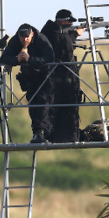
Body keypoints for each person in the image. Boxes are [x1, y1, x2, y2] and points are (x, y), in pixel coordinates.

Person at [0, 23, 55, 143]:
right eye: (22, 36)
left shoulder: (41, 39)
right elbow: (4, 58)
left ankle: (41, 133)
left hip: (45, 76)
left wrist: (30, 59)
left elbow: (50, 57)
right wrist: (17, 60)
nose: (24, 39)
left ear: (32, 34)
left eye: (27, 36)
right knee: (33, 105)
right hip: (29, 78)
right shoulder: (15, 41)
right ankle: (37, 133)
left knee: (43, 103)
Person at [40, 9, 84, 143]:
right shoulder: (51, 31)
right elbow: (60, 41)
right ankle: (58, 136)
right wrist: (76, 34)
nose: (70, 23)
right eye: (69, 21)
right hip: (57, 79)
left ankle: (67, 135)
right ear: (62, 21)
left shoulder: (52, 31)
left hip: (59, 77)